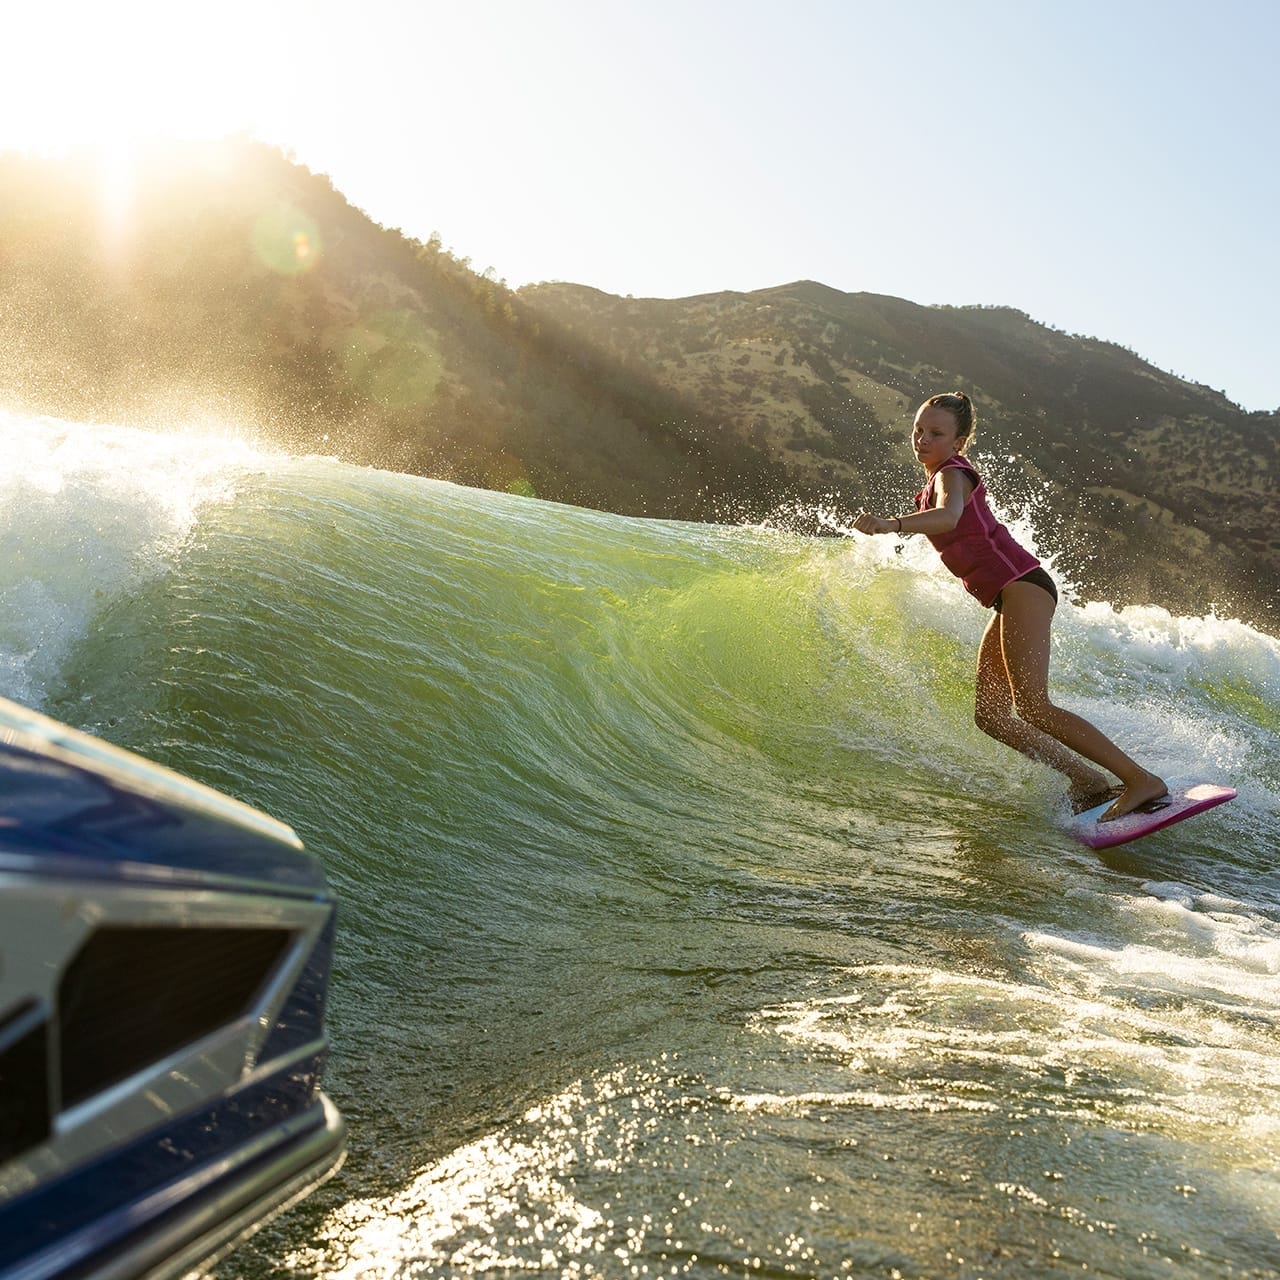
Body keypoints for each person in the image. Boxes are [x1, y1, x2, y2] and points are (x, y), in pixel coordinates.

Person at [852, 391, 1167, 821]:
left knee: (1034, 705)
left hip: (1023, 586)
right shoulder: (935, 479)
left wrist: (893, 525)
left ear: (959, 442)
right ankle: (1087, 779)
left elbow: (949, 517)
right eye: (919, 430)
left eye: (937, 433)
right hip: (1009, 596)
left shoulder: (953, 473)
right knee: (992, 715)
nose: (923, 440)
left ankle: (1139, 779)